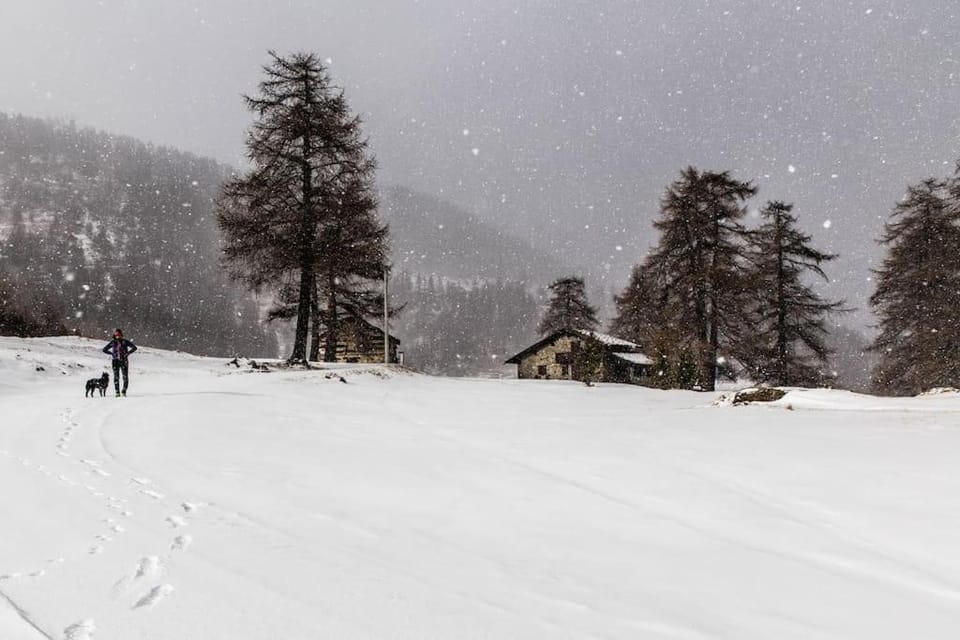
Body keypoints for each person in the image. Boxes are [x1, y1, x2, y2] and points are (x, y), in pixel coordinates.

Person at [102, 328, 137, 397]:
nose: (117, 336)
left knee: (125, 377)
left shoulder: (125, 341)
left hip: (124, 361)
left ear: (121, 335)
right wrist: (111, 353)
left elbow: (134, 348)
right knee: (116, 377)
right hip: (115, 361)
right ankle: (117, 392)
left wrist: (127, 353)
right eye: (116, 334)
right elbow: (104, 349)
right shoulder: (113, 342)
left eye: (118, 334)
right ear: (114, 335)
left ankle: (124, 391)